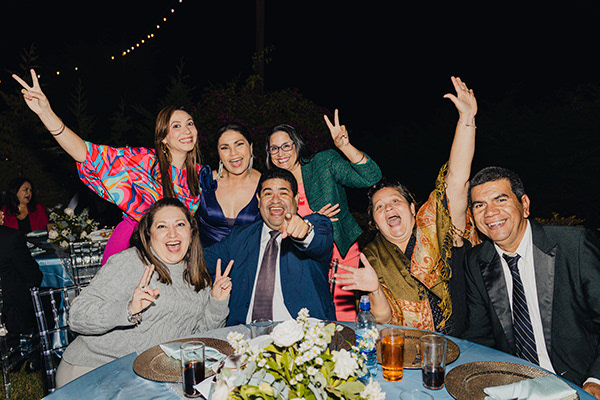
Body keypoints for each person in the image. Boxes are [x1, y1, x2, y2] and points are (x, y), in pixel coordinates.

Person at [333, 77, 479, 337]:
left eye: (395, 201)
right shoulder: (371, 257)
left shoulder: (437, 226)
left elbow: (457, 180)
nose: (388, 208)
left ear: (412, 208)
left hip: (467, 344)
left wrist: (466, 119)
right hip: (407, 349)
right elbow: (382, 319)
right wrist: (374, 289)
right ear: (374, 221)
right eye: (379, 207)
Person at [13, 70, 204, 264]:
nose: (186, 130)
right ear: (163, 137)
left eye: (190, 123)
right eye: (176, 126)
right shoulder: (144, 161)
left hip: (176, 253)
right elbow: (86, 153)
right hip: (132, 249)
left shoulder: (200, 175)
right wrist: (46, 113)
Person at [55, 197, 233, 388]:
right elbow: (77, 316)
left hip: (150, 376)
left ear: (192, 231)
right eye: (161, 226)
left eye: (180, 224)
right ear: (149, 233)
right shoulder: (131, 262)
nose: (172, 233)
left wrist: (217, 302)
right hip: (95, 368)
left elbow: (199, 341)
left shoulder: (198, 276)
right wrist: (128, 309)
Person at [462, 166, 600, 397]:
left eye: (500, 199)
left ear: (524, 205)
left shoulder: (574, 246)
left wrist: (595, 380)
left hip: (579, 383)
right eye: (479, 205)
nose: (490, 212)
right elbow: (478, 336)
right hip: (516, 385)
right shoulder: (477, 260)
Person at [266, 113, 382, 321]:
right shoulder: (273, 185)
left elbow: (371, 176)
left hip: (339, 252)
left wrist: (345, 146)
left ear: (297, 144)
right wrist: (314, 219)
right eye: (274, 148)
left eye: (286, 145)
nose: (280, 153)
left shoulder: (322, 163)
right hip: (299, 259)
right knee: (310, 317)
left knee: (342, 316)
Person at [203, 168, 335, 326]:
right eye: (268, 194)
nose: (275, 200)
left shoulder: (315, 224)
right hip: (245, 333)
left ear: (296, 198)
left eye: (283, 193)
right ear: (258, 200)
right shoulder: (240, 236)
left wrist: (304, 232)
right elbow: (201, 261)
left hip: (303, 333)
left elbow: (320, 242)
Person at [197, 123, 261, 247]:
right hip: (204, 257)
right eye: (225, 148)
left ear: (251, 147)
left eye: (239, 144)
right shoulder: (205, 179)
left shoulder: (265, 184)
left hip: (249, 258)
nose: (233, 153)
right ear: (218, 153)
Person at [0, 225, 43, 340]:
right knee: (52, 296)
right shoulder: (10, 237)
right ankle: (39, 348)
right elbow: (32, 276)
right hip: (10, 310)